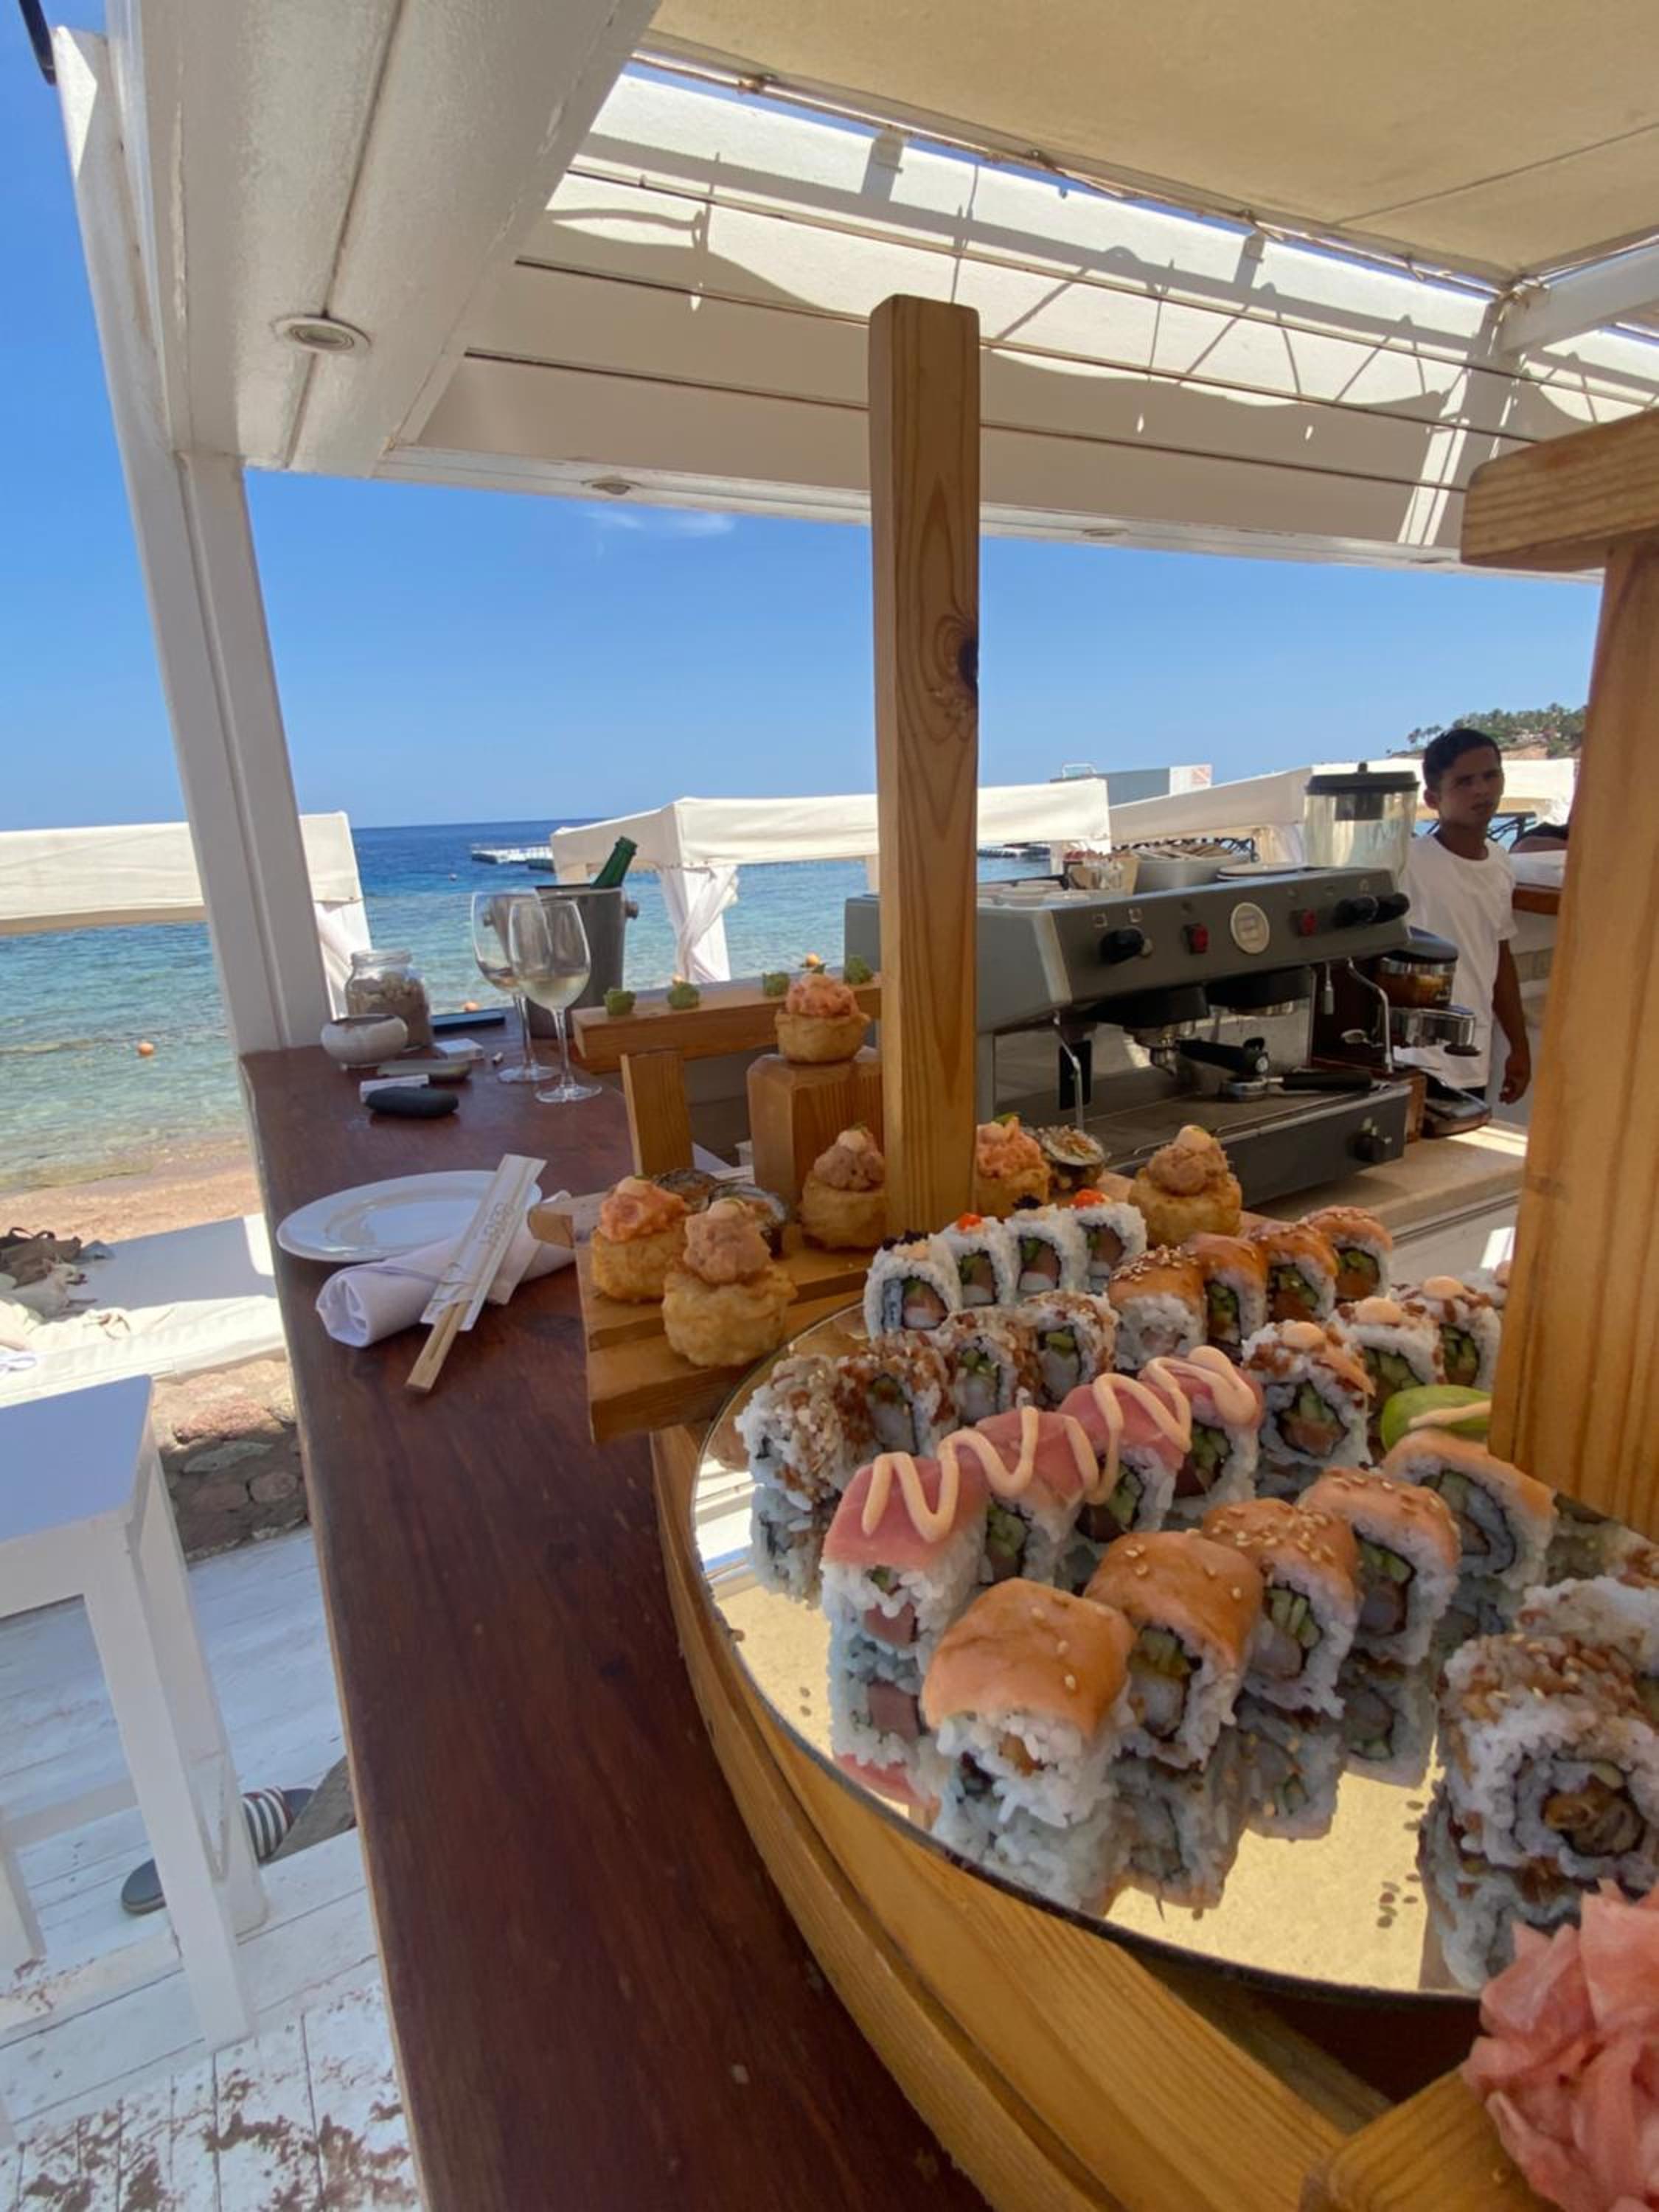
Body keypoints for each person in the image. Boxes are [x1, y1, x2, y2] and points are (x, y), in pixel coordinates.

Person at [1398, 728, 1531, 1106]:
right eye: (1464, 782)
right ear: (1433, 798)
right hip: (1412, 1057)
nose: (1481, 790)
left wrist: (1519, 1046)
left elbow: (1498, 957)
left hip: (1472, 1053)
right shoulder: (1408, 863)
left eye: (1490, 776)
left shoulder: (1500, 864)